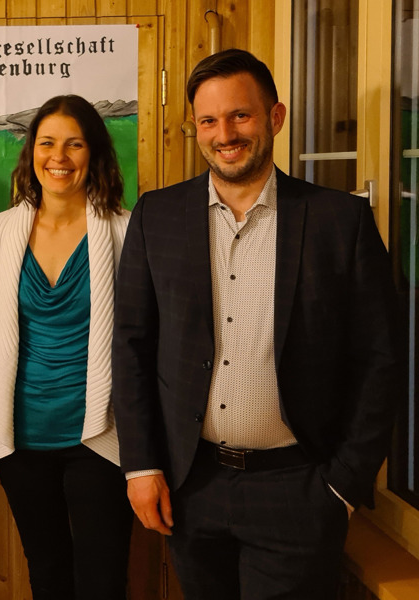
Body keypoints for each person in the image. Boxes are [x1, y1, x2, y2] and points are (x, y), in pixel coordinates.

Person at [112, 49, 400, 599]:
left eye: (240, 115)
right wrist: (141, 466)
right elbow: (130, 347)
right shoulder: (157, 216)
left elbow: (380, 360)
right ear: (195, 127)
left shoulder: (341, 223)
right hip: (190, 486)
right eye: (209, 120)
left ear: (275, 117)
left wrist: (342, 483)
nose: (225, 133)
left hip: (300, 487)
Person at [0, 95, 133, 599]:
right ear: (31, 152)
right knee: (46, 572)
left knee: (102, 577)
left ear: (95, 153)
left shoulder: (125, 229)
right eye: (46, 143)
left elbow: (141, 336)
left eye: (74, 143)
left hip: (100, 434)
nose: (58, 156)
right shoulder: (0, 232)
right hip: (22, 436)